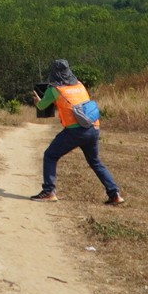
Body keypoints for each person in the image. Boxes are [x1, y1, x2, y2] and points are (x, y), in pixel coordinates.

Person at [28, 58, 125, 205]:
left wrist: (37, 101)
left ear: (54, 73)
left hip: (75, 131)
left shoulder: (55, 89)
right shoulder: (79, 84)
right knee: (95, 162)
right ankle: (115, 194)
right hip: (93, 128)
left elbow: (42, 106)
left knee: (50, 155)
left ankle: (49, 191)